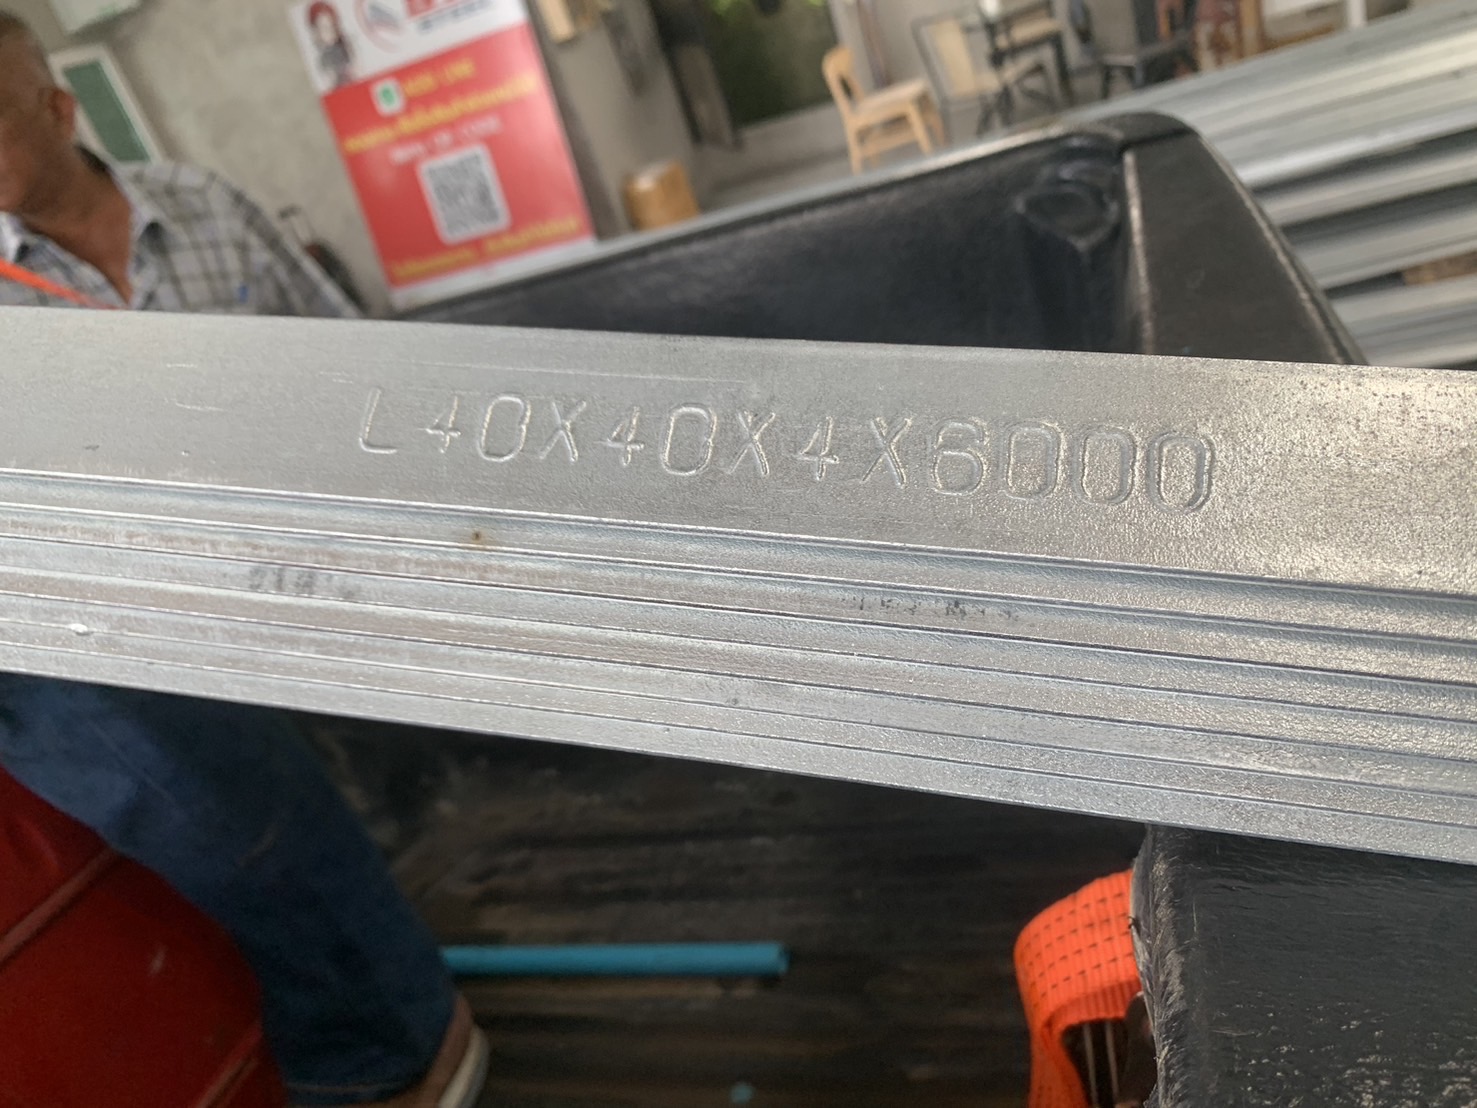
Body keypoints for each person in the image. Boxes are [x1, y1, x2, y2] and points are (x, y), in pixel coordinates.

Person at [0, 12, 488, 1108]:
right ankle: (396, 1024)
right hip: (159, 619)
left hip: (308, 564)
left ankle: (404, 1020)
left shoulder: (204, 205)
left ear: (59, 110)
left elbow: (353, 364)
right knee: (236, 811)